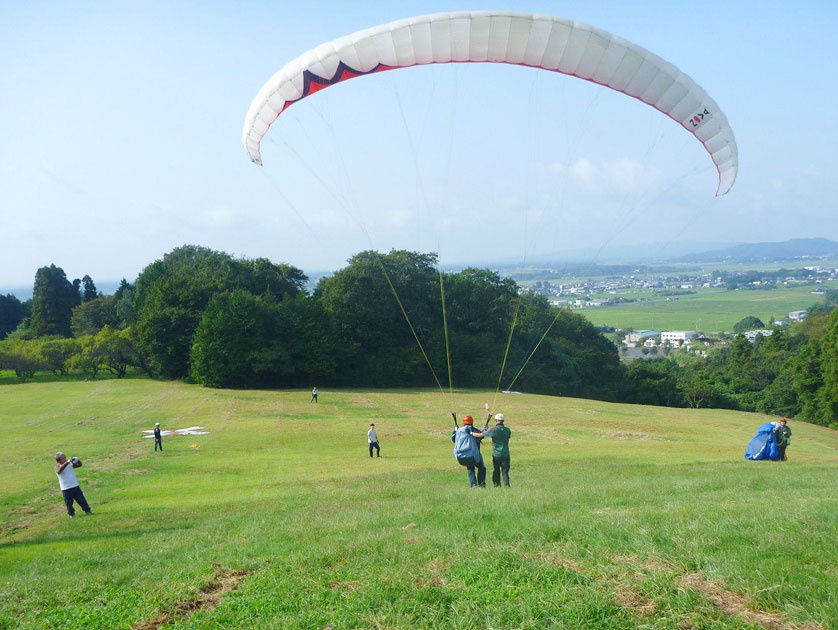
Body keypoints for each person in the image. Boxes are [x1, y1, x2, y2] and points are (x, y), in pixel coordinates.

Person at [451, 414, 486, 488]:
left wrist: (455, 430)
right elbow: (482, 435)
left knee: (470, 468)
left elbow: (453, 440)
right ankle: (482, 485)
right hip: (473, 455)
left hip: (461, 457)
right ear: (472, 422)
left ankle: (473, 485)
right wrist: (485, 429)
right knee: (481, 467)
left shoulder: (459, 430)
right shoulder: (474, 429)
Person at [54, 452, 92, 518]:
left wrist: (78, 460)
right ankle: (71, 514)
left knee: (82, 500)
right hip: (66, 488)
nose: (65, 459)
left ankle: (87, 511)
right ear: (59, 460)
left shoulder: (69, 464)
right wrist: (67, 462)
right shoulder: (57, 467)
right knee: (69, 503)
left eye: (65, 457)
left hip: (75, 486)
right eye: (63, 458)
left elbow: (79, 465)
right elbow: (59, 471)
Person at [483, 412, 512, 487]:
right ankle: (507, 485)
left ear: (496, 420)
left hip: (497, 454)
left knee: (496, 470)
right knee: (505, 472)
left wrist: (471, 433)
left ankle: (497, 485)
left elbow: (482, 435)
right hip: (506, 454)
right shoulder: (507, 430)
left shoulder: (494, 430)